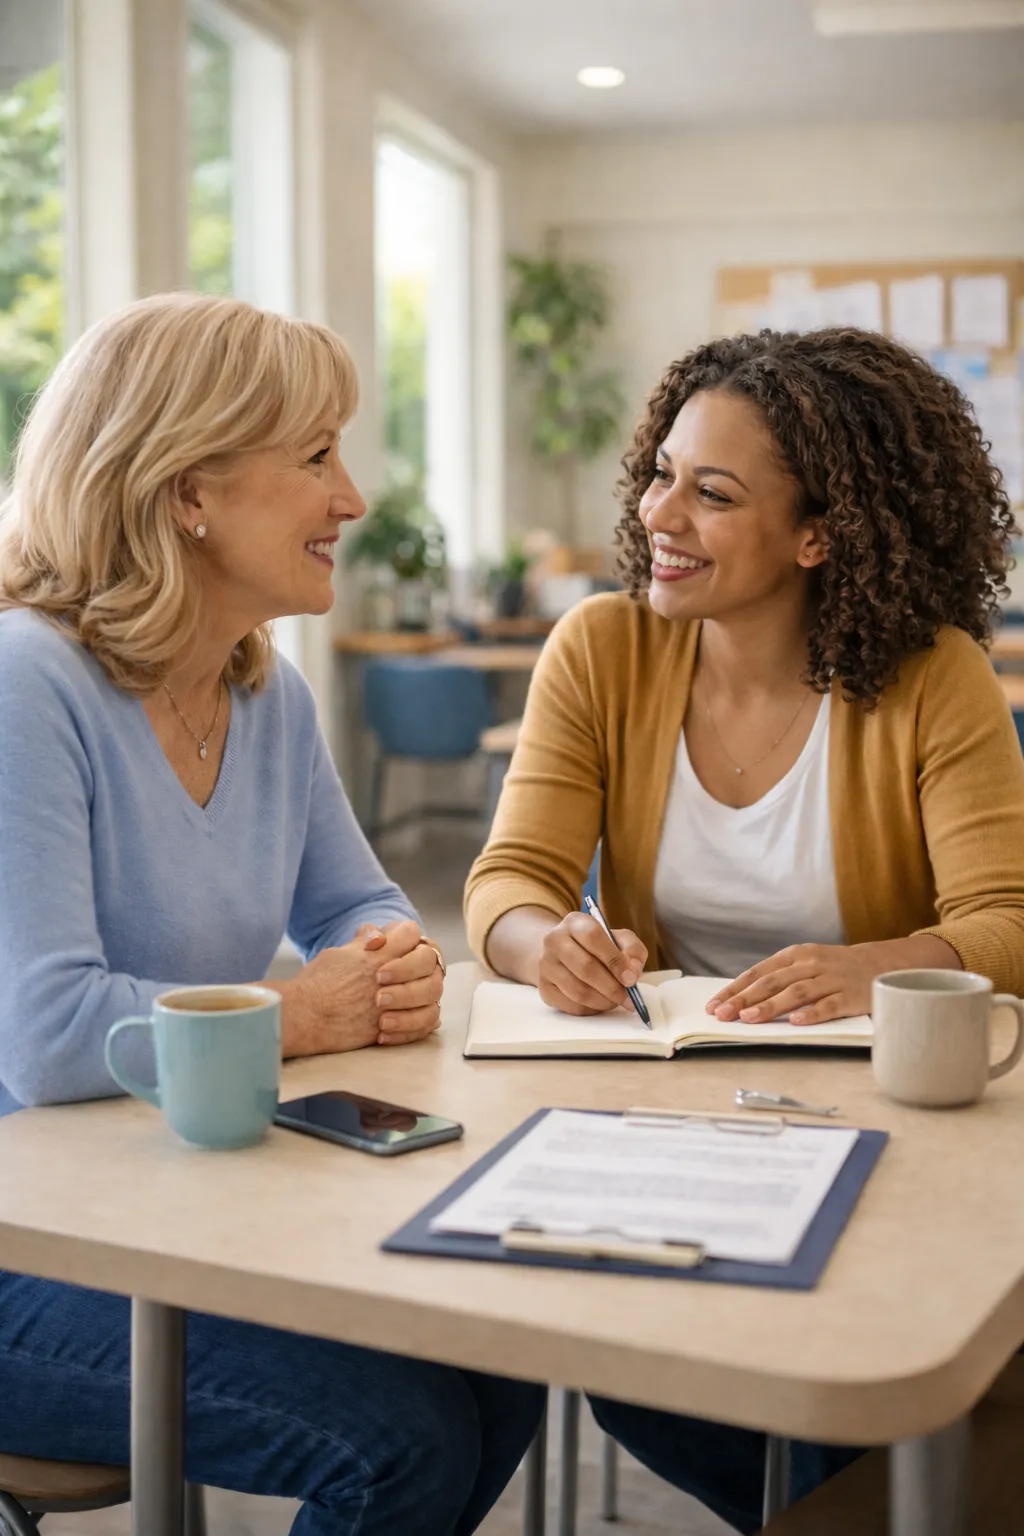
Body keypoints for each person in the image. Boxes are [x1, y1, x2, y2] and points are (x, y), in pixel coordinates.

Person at [465, 326, 1024, 1532]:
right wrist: (538, 942)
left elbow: (1007, 923)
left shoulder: (934, 677)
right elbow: (509, 880)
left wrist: (874, 967)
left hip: (885, 1122)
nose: (661, 511)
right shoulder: (602, 650)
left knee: (868, 1361)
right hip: (671, 1116)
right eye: (662, 472)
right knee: (639, 1372)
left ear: (818, 534)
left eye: (713, 493)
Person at [0, 292, 543, 1536]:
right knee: (397, 1440)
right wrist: (298, 1010)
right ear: (187, 489)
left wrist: (389, 959)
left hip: (158, 1204)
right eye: (314, 458)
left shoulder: (268, 692)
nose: (351, 499)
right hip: (27, 1241)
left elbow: (355, 899)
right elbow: (47, 1033)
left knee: (501, 1351)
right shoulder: (24, 679)